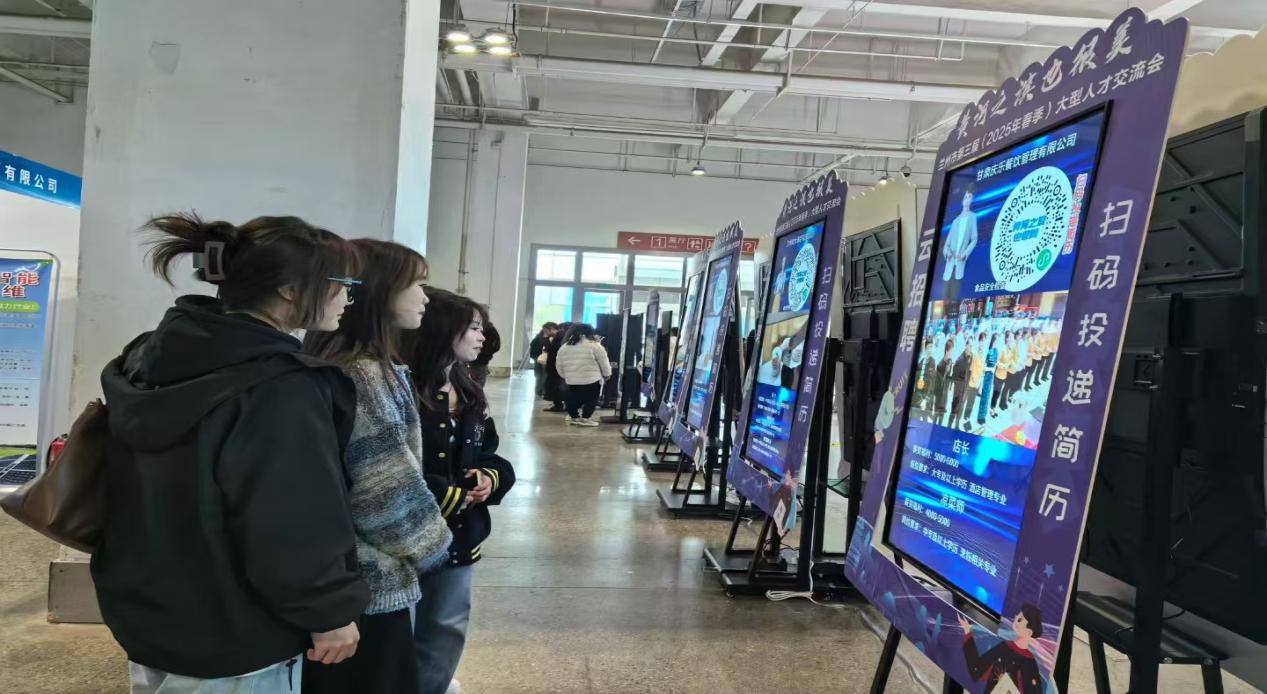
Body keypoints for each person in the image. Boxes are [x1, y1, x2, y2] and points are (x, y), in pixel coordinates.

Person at [94, 213, 370, 692]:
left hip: (146, 607)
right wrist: (328, 611)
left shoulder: (148, 355)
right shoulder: (280, 386)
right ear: (290, 290)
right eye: (341, 283)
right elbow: (289, 515)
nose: (347, 297)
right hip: (237, 627)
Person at [302, 240, 452, 693]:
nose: (425, 297)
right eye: (416, 284)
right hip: (367, 585)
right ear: (379, 291)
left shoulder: (349, 364)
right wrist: (433, 545)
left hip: (345, 579)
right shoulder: (363, 373)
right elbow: (384, 492)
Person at [407, 288, 516, 694]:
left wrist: (489, 477)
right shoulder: (402, 387)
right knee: (399, 632)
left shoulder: (468, 388)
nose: (482, 336)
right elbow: (390, 467)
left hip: (460, 535)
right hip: (406, 538)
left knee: (446, 627)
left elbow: (488, 450)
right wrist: (447, 494)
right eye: (473, 327)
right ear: (441, 329)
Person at [957, 605, 1046, 694]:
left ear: (1029, 632)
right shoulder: (1004, 646)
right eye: (1017, 616)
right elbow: (977, 668)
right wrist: (967, 631)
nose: (1015, 619)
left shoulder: (1030, 662)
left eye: (1020, 619)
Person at [556, 323, 613, 426]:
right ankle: (586, 418)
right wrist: (607, 374)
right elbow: (603, 361)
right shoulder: (595, 346)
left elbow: (559, 364)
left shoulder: (564, 347)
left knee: (572, 398)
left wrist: (565, 375)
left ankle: (574, 417)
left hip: (572, 379)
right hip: (592, 379)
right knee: (591, 399)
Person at [943, 185, 979, 301]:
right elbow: (946, 245)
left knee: (955, 297)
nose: (966, 199)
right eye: (965, 196)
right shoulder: (955, 221)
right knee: (944, 297)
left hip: (959, 264)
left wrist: (964, 254)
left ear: (972, 200)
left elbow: (974, 239)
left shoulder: (973, 217)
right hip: (949, 266)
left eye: (969, 197)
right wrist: (947, 253)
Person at [542, 321, 572, 412]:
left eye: (546, 331)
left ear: (551, 329)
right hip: (555, 366)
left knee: (557, 386)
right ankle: (561, 405)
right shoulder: (559, 337)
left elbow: (552, 350)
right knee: (558, 386)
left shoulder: (560, 338)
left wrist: (546, 340)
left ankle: (559, 405)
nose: (545, 333)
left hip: (556, 367)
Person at [948, 335, 973, 428]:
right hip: (958, 387)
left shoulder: (971, 356)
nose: (970, 348)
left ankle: (957, 424)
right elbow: (954, 374)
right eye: (969, 345)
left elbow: (969, 371)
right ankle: (949, 424)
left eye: (971, 346)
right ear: (965, 346)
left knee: (961, 406)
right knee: (955, 405)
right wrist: (957, 386)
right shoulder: (959, 359)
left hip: (965, 386)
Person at [530, 322, 559, 397]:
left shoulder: (552, 338)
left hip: (543, 359)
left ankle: (541, 390)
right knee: (541, 375)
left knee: (542, 375)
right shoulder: (540, 338)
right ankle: (540, 390)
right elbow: (534, 348)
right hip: (540, 359)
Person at [978, 334, 1000, 425]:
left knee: (987, 396)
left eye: (998, 340)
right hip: (987, 374)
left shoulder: (996, 351)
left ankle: (983, 415)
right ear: (993, 340)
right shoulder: (988, 350)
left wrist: (995, 367)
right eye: (996, 340)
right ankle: (980, 417)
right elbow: (983, 366)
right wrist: (990, 369)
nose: (997, 341)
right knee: (984, 396)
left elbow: (996, 362)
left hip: (992, 375)